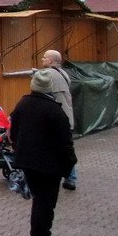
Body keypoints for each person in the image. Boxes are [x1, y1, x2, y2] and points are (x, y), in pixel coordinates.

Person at [10, 69, 77, 236]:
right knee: (46, 204)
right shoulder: (55, 111)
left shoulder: (22, 104)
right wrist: (70, 162)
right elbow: (65, 142)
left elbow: (13, 131)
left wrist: (18, 150)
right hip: (48, 166)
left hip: (27, 162)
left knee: (38, 201)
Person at [41, 49, 77, 190]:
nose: (42, 60)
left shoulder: (47, 75)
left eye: (44, 58)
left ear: (50, 61)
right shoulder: (64, 74)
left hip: (54, 120)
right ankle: (71, 178)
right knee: (66, 148)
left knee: (48, 148)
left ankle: (49, 176)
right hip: (66, 117)